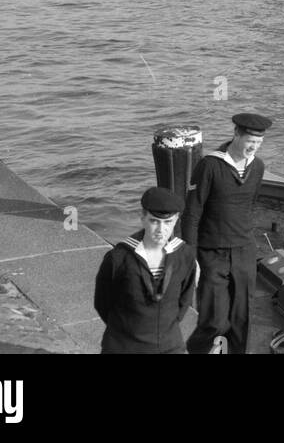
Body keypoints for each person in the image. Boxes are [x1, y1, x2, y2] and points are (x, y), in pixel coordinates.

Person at [183, 112, 272, 354]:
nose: (253, 148)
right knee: (214, 321)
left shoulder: (258, 167)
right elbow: (191, 214)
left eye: (258, 143)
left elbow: (249, 205)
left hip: (244, 251)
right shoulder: (210, 165)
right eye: (249, 141)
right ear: (236, 135)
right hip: (212, 253)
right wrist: (192, 258)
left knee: (241, 320)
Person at [93, 187, 197, 354]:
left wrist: (163, 328)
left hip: (169, 345)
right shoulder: (119, 258)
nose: (161, 230)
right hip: (125, 346)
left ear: (176, 220)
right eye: (154, 221)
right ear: (142, 218)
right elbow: (102, 303)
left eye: (168, 222)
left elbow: (184, 300)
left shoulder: (185, 255)